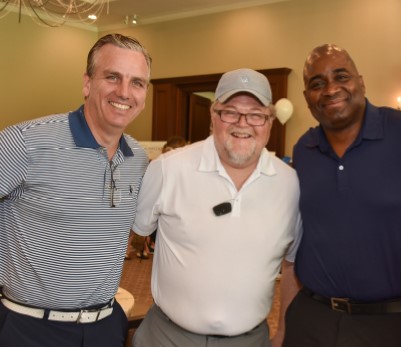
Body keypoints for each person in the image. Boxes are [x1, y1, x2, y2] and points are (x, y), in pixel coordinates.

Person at [131, 68, 302, 347]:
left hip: (250, 340)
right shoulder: (167, 169)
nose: (243, 123)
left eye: (256, 114)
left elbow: (293, 266)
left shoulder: (291, 184)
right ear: (214, 115)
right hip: (166, 338)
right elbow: (135, 233)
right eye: (230, 112)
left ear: (270, 121)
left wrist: (283, 333)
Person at [0, 33, 152, 347]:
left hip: (105, 327)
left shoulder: (138, 158)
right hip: (29, 329)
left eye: (137, 82)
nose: (124, 92)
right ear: (87, 83)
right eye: (113, 77)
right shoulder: (26, 142)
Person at [275, 44, 401, 347]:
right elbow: (297, 245)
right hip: (311, 320)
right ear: (307, 98)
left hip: (392, 325)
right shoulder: (303, 149)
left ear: (360, 82)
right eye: (317, 83)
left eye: (341, 77)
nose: (330, 89)